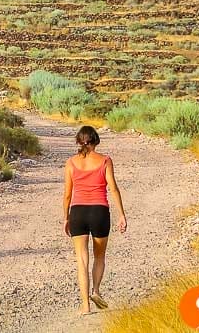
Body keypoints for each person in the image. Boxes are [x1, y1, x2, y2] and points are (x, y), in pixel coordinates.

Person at [63, 125, 127, 315]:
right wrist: (122, 214)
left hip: (78, 213)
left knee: (82, 260)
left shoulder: (71, 163)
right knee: (99, 256)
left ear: (79, 141)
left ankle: (85, 306)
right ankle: (96, 291)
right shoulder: (105, 161)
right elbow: (113, 188)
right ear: (96, 140)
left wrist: (66, 218)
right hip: (100, 212)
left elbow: (67, 195)